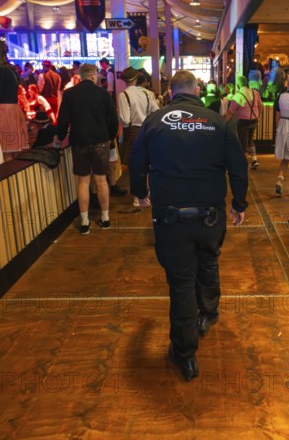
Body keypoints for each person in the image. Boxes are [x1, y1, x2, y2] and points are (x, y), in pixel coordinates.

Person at [129, 70, 248, 381]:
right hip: (210, 215)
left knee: (181, 283)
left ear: (170, 93)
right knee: (208, 261)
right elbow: (238, 166)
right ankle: (208, 314)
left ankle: (185, 355)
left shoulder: (155, 122)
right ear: (197, 90)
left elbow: (137, 163)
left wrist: (140, 194)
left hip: (170, 217)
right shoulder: (218, 122)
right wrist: (239, 204)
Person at [54, 63, 119, 235]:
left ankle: (84, 222)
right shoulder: (103, 94)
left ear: (81, 76)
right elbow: (113, 118)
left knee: (83, 182)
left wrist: (60, 137)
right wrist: (110, 136)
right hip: (100, 141)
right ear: (93, 75)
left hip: (79, 141)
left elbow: (62, 120)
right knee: (101, 181)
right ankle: (105, 219)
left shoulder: (70, 94)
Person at [117, 67, 159, 205]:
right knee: (150, 163)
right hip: (149, 129)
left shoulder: (123, 95)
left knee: (135, 165)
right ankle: (150, 191)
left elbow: (124, 118)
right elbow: (156, 111)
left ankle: (138, 198)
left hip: (133, 131)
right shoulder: (147, 93)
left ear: (124, 81)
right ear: (136, 79)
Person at [225, 75, 263, 169]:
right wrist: (258, 115)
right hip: (254, 120)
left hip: (243, 122)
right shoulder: (255, 92)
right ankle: (254, 160)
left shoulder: (238, 95)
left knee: (243, 143)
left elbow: (230, 112)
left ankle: (243, 164)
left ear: (238, 84)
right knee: (250, 140)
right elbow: (261, 105)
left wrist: (223, 122)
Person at [0, 40, 29, 161]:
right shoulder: (12, 70)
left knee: (6, 153)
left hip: (3, 112)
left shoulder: (2, 71)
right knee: (15, 152)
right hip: (14, 110)